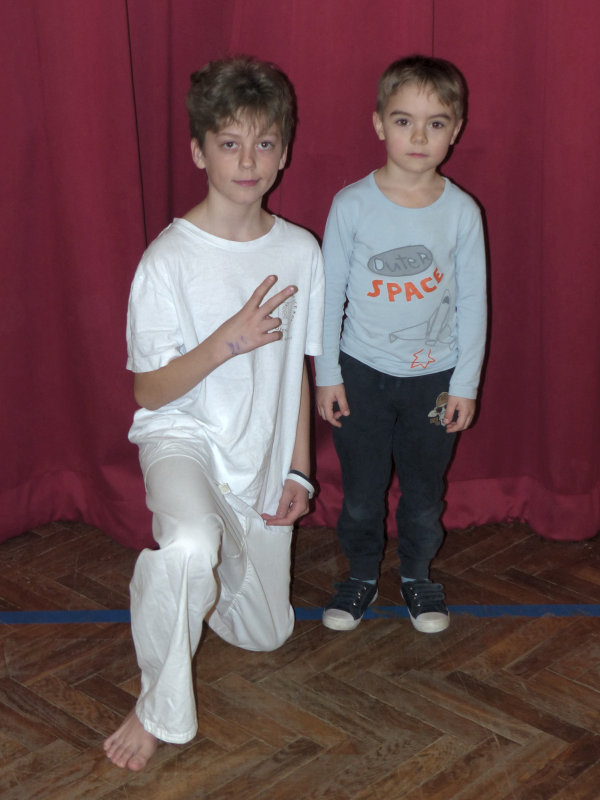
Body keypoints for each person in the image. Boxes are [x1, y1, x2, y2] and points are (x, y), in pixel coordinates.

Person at [104, 56, 324, 771]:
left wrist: (299, 471)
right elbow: (149, 393)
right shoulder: (167, 260)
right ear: (199, 152)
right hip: (182, 438)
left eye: (264, 143)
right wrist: (227, 340)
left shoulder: (301, 251)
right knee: (190, 544)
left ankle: (195, 585)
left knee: (266, 635)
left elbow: (296, 374)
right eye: (229, 143)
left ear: (284, 152)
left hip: (257, 454)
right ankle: (155, 704)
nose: (248, 161)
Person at [314, 55, 487, 635]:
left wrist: (464, 384)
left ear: (455, 131)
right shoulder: (352, 205)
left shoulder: (461, 212)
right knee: (362, 495)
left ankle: (417, 575)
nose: (418, 137)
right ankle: (361, 575)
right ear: (378, 124)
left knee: (423, 494)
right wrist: (327, 374)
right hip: (361, 374)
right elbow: (328, 297)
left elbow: (473, 303)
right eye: (404, 120)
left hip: (435, 380)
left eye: (435, 123)